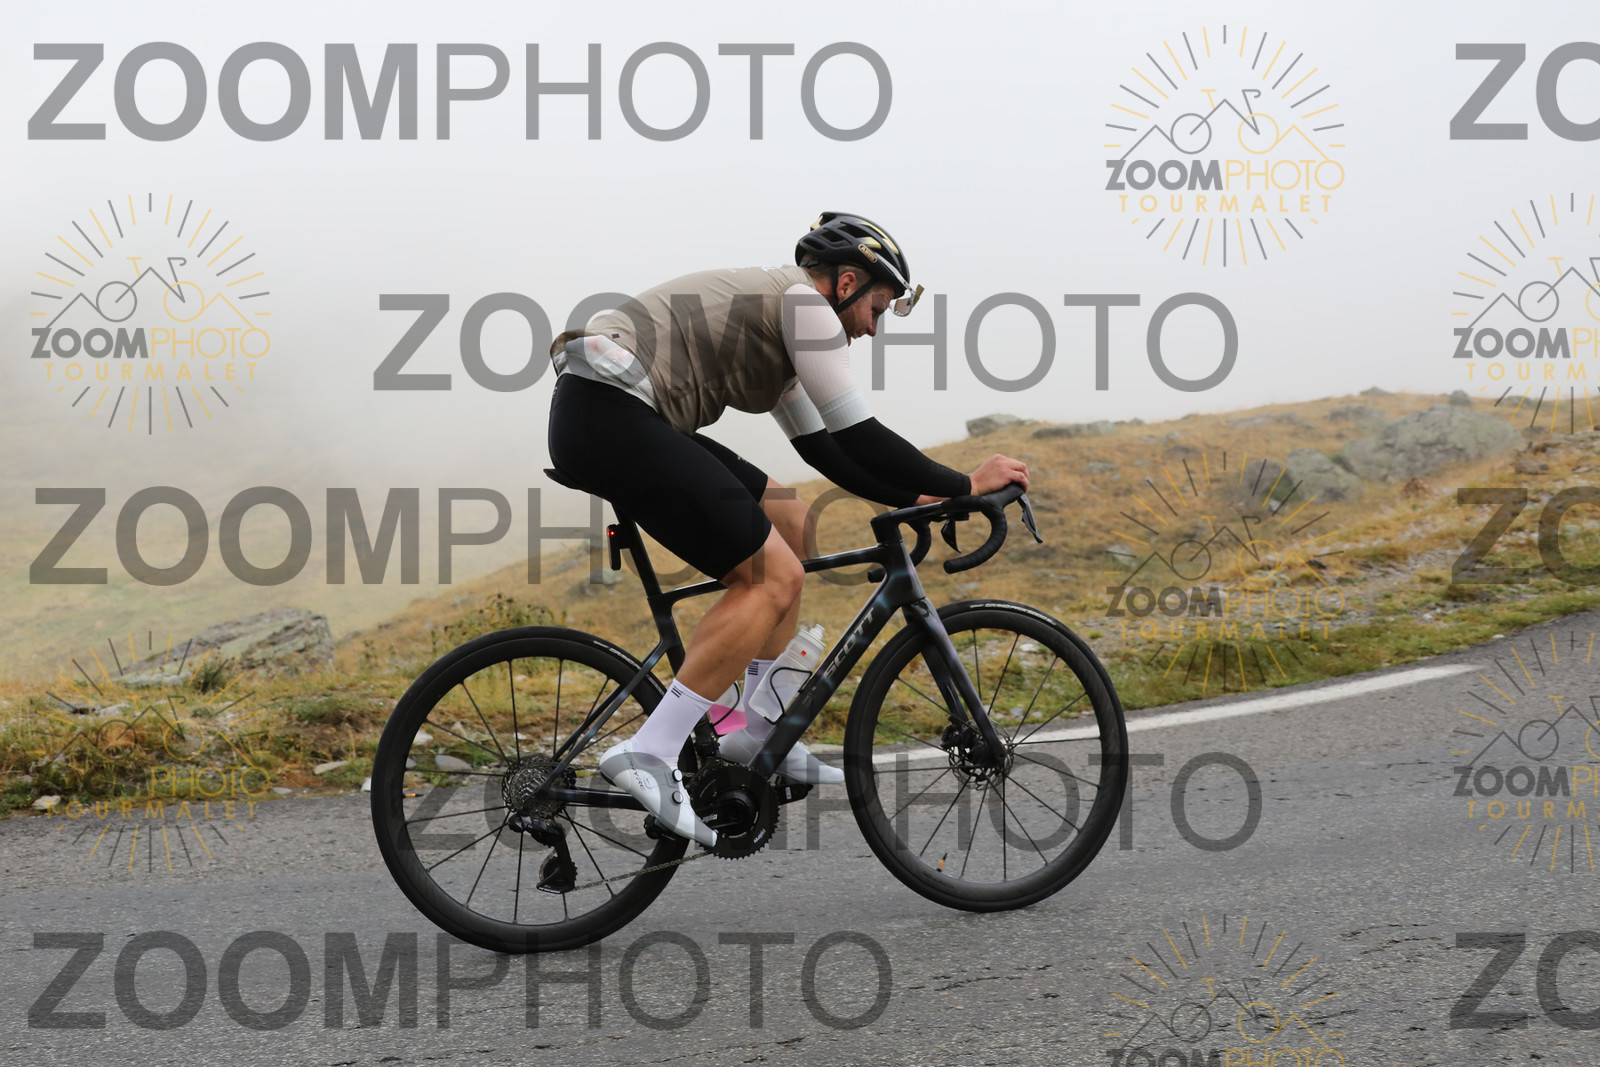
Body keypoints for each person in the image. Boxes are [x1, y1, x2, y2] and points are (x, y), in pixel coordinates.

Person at [546, 212, 1029, 846]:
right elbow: (861, 434)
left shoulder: (783, 328)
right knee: (771, 578)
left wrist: (926, 500)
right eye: (877, 309)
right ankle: (652, 750)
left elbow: (829, 452)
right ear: (848, 283)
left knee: (790, 518)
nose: (872, 328)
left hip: (614, 415)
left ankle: (756, 730)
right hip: (609, 412)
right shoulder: (804, 307)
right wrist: (966, 483)